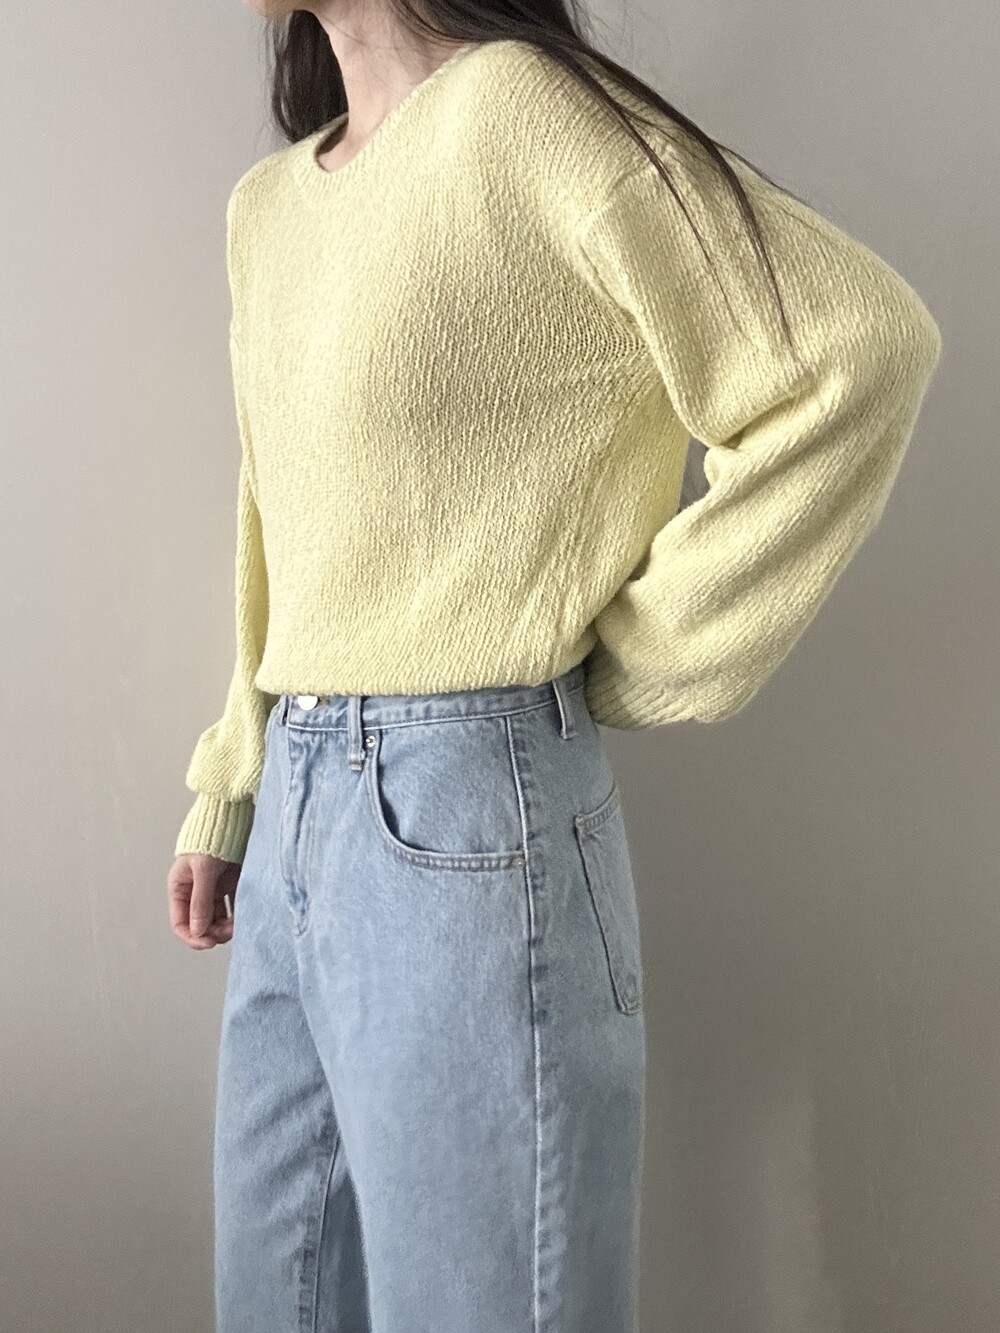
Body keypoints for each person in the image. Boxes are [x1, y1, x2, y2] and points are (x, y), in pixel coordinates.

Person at [164, 2, 943, 1329]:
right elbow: (273, 521)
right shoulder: (267, 210)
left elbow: (857, 347)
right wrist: (233, 783)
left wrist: (646, 652)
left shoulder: (521, 113)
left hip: (465, 807)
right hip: (295, 809)